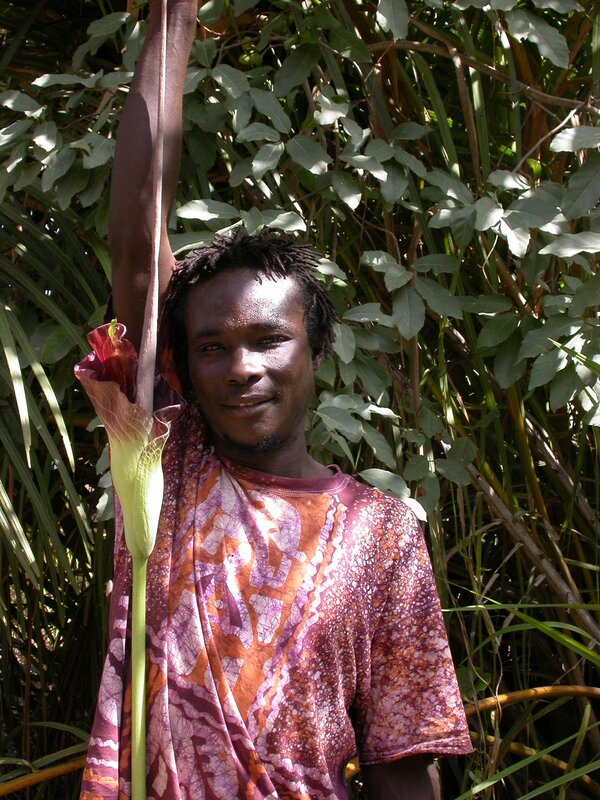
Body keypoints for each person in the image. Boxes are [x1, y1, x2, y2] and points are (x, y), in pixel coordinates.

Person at [79, 1, 472, 798]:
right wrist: (173, 16)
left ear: (316, 349)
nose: (241, 368)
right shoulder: (169, 455)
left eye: (268, 340)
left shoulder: (381, 537)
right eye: (212, 348)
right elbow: (137, 246)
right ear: (183, 368)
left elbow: (405, 761)